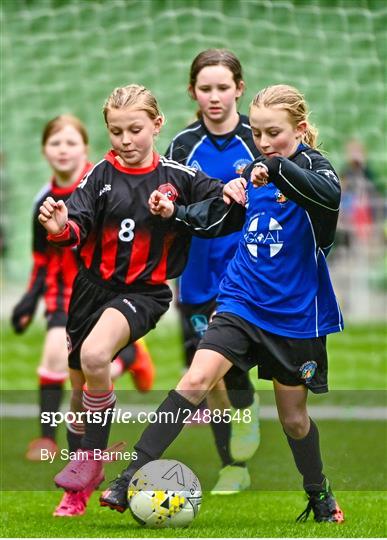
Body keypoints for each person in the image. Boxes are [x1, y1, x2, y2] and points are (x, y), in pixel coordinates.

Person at [101, 84, 345, 524]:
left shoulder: (313, 168)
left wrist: (274, 166)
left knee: (294, 420)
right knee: (196, 378)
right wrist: (172, 215)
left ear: (301, 129)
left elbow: (329, 198)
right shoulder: (254, 171)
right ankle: (129, 476)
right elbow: (217, 219)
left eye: (275, 133)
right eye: (259, 135)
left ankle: (318, 491)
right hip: (240, 300)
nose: (264, 142)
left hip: (294, 316)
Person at [37, 85, 226, 516]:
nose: (126, 140)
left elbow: (219, 199)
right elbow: (76, 224)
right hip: (91, 290)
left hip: (144, 292)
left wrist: (193, 208)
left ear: (157, 126)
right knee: (80, 392)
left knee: (96, 354)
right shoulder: (100, 174)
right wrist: (60, 226)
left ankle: (92, 458)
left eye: (135, 129)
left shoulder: (180, 176)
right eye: (117, 131)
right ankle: (79, 488)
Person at [11, 114, 155, 510]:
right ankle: (127, 358)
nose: (62, 150)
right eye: (55, 143)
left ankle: (74, 488)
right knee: (79, 390)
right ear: (44, 151)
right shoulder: (46, 200)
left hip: (112, 294)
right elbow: (43, 256)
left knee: (77, 361)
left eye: (71, 142)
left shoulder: (105, 182)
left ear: (86, 148)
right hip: (69, 297)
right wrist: (30, 297)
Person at [166, 49, 260, 494]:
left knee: (229, 362)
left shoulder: (256, 139)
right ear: (193, 92)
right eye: (206, 89)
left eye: (224, 87)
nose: (215, 96)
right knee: (209, 371)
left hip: (247, 271)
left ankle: (240, 446)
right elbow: (169, 205)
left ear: (239, 89)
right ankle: (234, 464)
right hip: (197, 273)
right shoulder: (183, 146)